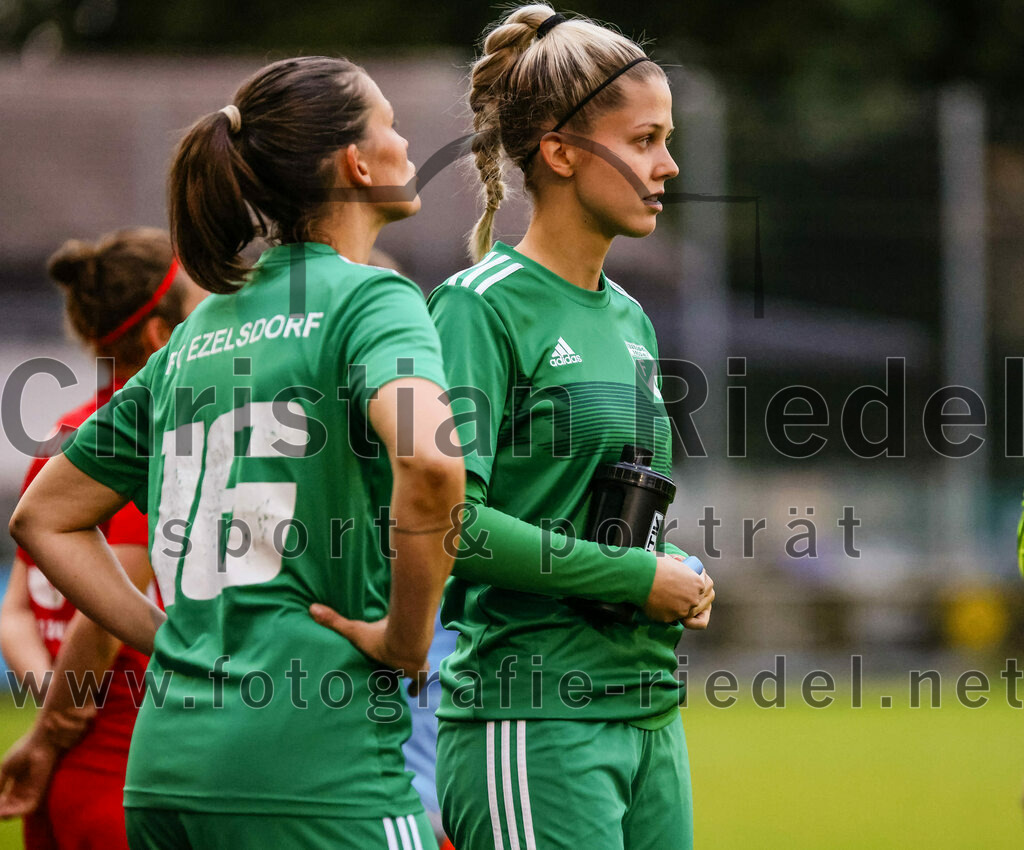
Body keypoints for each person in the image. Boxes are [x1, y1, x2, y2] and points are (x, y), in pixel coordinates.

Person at [10, 55, 465, 850]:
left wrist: (167, 640)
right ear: (357, 162)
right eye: (391, 123)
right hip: (317, 773)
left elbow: (44, 516)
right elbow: (431, 465)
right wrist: (406, 639)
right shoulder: (371, 297)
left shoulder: (202, 329)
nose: (406, 141)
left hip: (163, 775)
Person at [426, 7, 714, 848]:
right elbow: (446, 525)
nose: (669, 163)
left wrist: (674, 571)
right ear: (560, 150)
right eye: (645, 139)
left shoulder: (630, 317)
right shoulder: (477, 310)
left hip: (650, 717)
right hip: (533, 721)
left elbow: (597, 506)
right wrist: (632, 577)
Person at [0, 228, 205, 850]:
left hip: (69, 776)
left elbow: (14, 612)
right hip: (129, 775)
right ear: (160, 336)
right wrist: (62, 723)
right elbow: (106, 615)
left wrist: (54, 711)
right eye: (205, 310)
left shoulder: (67, 436)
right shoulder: (153, 437)